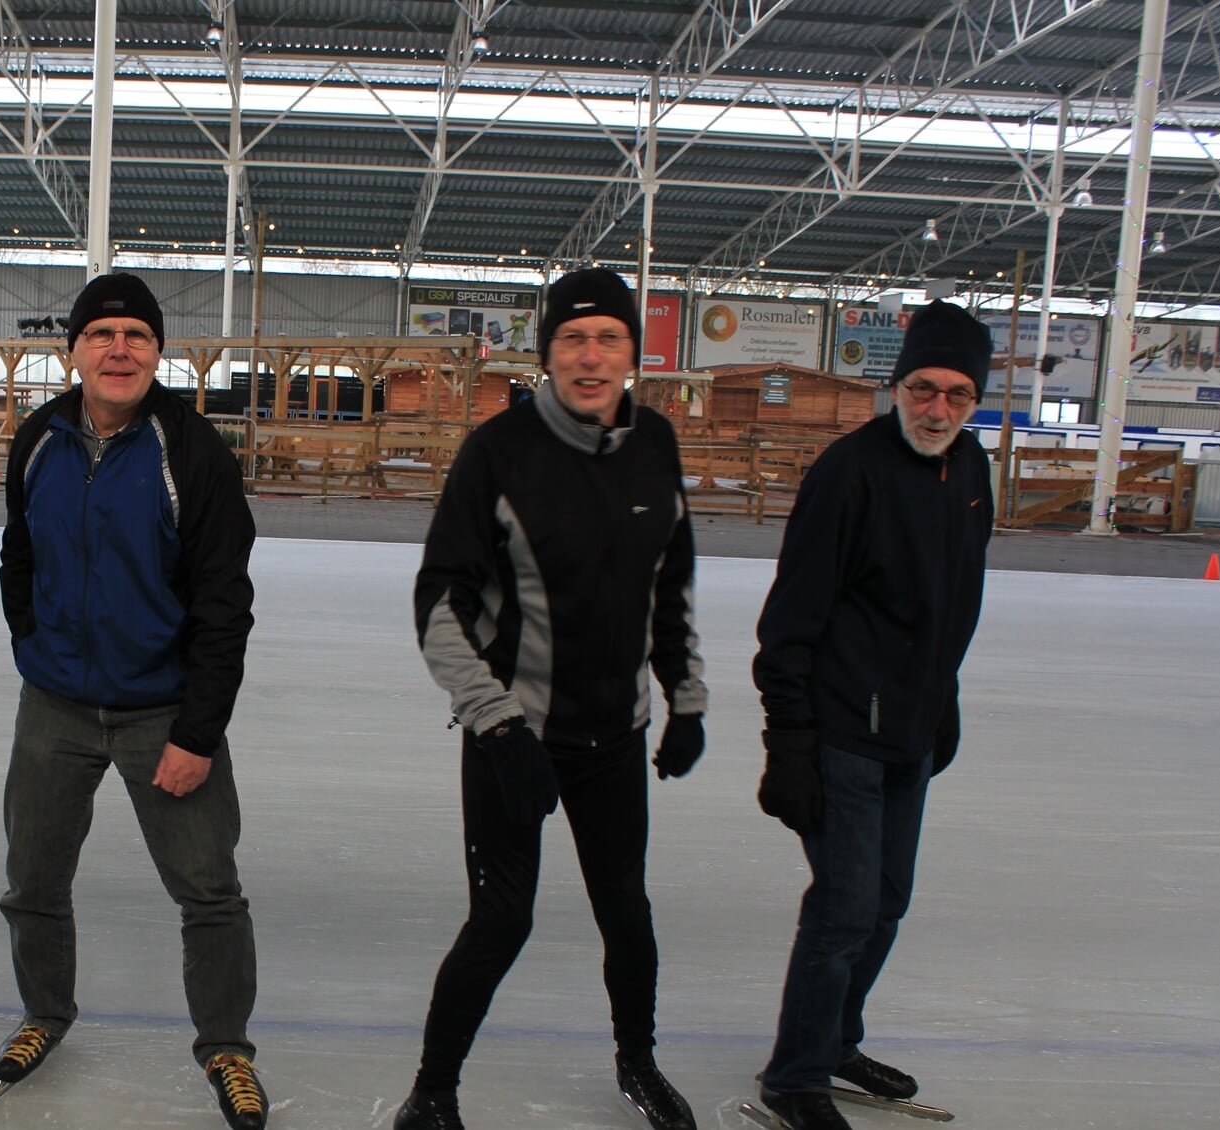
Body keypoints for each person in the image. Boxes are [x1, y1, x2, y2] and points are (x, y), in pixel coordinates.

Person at [393, 268, 708, 1130]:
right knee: (501, 919)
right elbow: (438, 605)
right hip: (515, 739)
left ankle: (638, 1062)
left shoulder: (656, 446)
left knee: (627, 913)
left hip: (614, 737)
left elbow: (670, 583)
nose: (591, 355)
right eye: (572, 338)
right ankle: (432, 1092)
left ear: (634, 353)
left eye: (609, 338)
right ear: (548, 354)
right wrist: (498, 731)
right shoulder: (499, 453)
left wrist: (686, 698)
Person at [0, 272, 264, 1129]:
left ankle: (226, 1048)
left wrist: (197, 731)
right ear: (73, 350)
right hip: (57, 706)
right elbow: (18, 556)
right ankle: (45, 1013)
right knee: (33, 879)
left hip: (162, 713)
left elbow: (226, 606)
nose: (119, 349)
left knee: (208, 891)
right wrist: (34, 645)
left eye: (136, 336)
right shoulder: (38, 438)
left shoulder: (193, 454)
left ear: (156, 353)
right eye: (102, 334)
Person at [751, 299, 995, 1130]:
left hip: (913, 731)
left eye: (959, 396)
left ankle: (835, 1039)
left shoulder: (970, 470)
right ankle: (795, 1077)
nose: (939, 410)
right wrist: (788, 739)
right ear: (897, 387)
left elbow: (958, 597)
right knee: (846, 906)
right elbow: (790, 619)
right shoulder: (848, 473)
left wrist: (944, 696)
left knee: (888, 902)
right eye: (924, 389)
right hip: (843, 728)